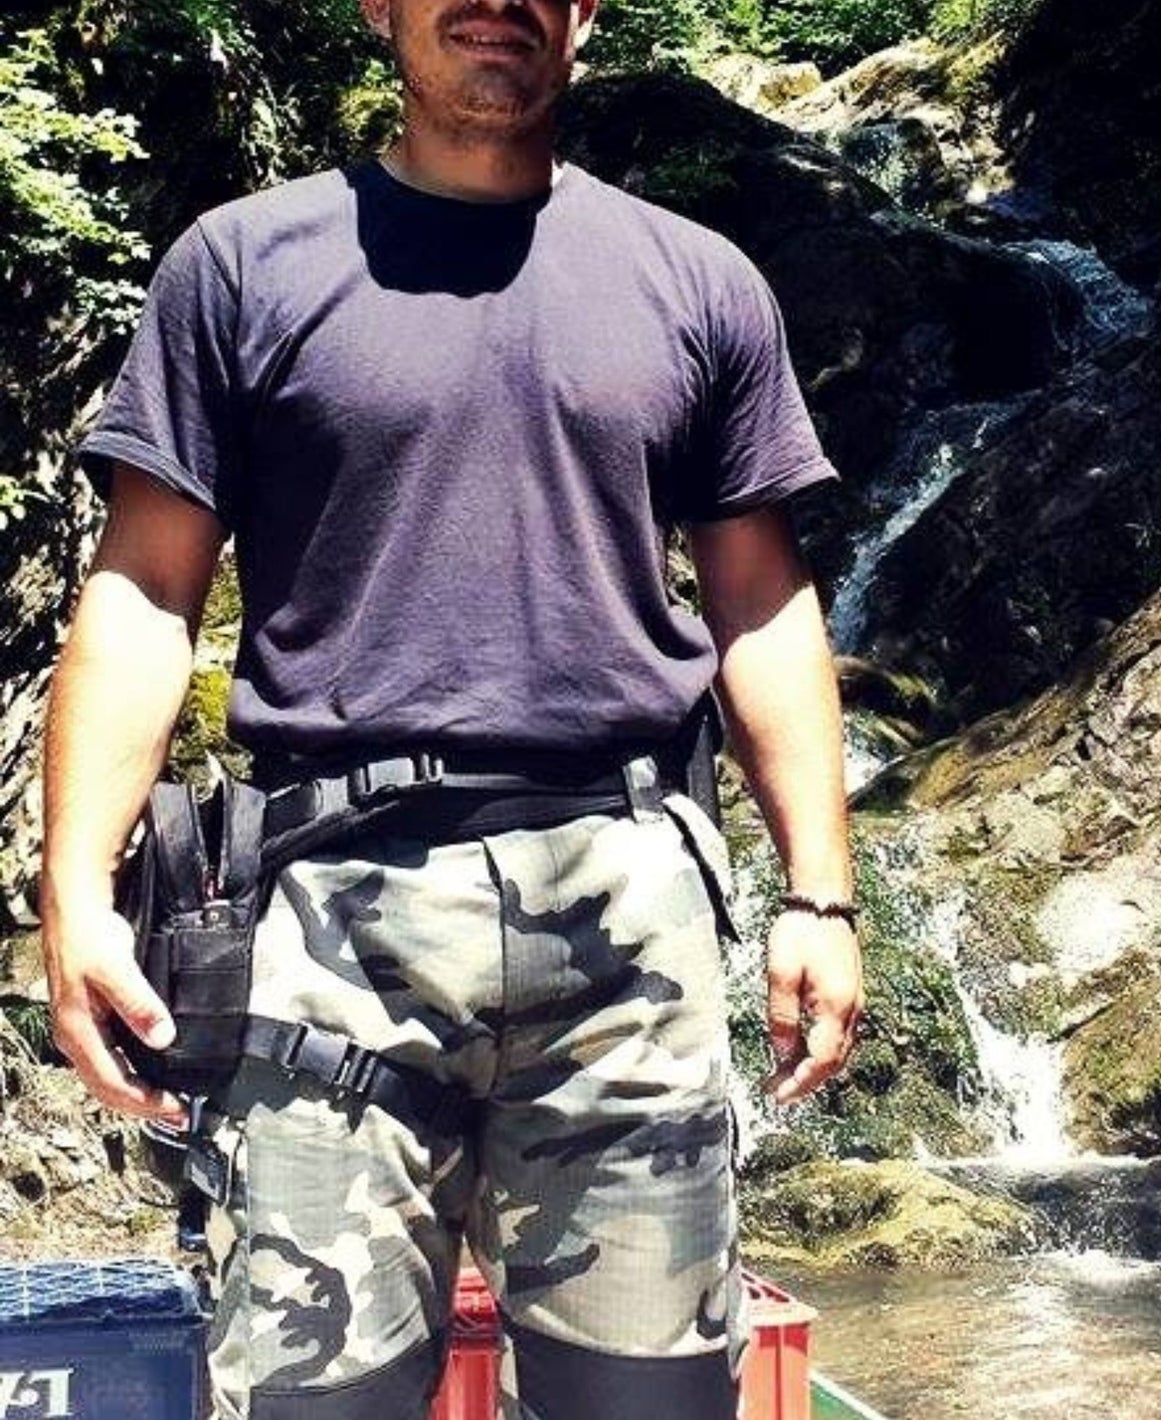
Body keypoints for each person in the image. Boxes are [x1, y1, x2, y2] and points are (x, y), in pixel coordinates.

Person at [40, 0, 862, 1416]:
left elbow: (761, 603)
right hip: (327, 920)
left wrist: (821, 897)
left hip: (629, 917)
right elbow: (147, 591)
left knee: (652, 1400)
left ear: (585, 11)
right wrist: (73, 894)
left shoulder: (698, 281)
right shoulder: (241, 265)